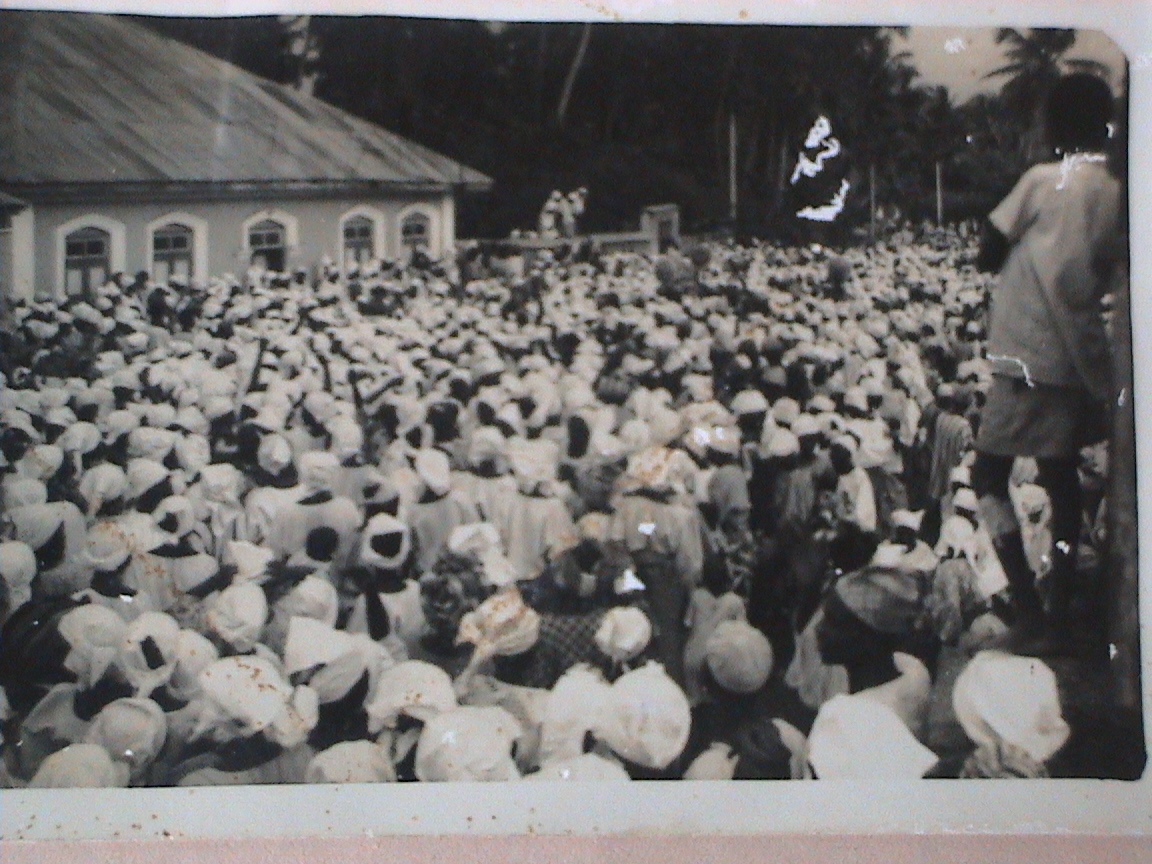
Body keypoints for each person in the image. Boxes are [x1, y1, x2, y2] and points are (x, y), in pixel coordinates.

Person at [971, 74, 1122, 655]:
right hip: (1071, 359)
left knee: (987, 477)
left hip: (1025, 354)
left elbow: (988, 248)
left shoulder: (1041, 179)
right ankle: (1058, 607)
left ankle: (1032, 610)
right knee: (1059, 483)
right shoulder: (1112, 189)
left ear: (1055, 126)